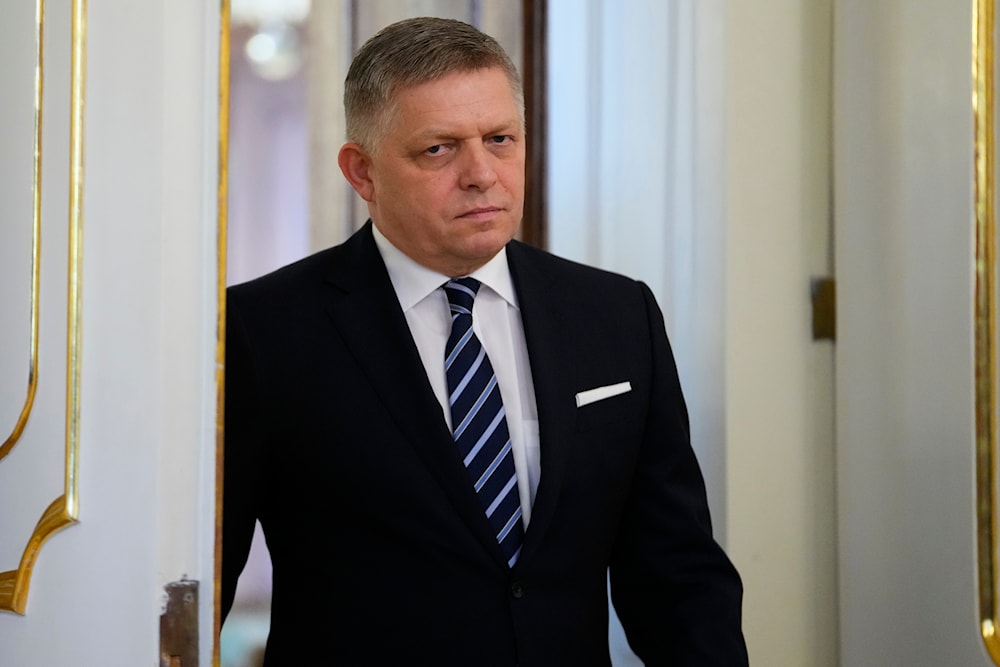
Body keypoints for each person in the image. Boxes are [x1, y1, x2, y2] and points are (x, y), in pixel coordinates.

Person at [222, 16, 748, 666]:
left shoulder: (616, 315)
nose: (481, 173)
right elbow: (204, 576)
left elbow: (677, 572)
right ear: (362, 172)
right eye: (438, 149)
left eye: (500, 138)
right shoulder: (263, 330)